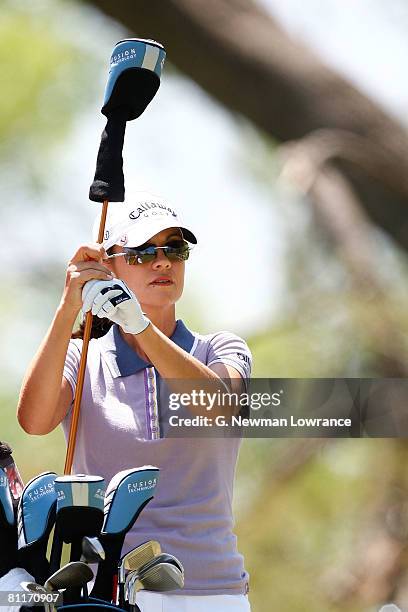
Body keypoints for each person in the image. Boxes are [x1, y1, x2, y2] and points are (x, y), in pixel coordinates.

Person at [17, 192, 252, 612]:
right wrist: (69, 304)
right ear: (108, 266)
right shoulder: (82, 356)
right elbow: (34, 420)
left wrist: (141, 327)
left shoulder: (220, 349)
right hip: (107, 593)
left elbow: (219, 407)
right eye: (143, 252)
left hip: (211, 591)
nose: (162, 262)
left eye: (174, 249)